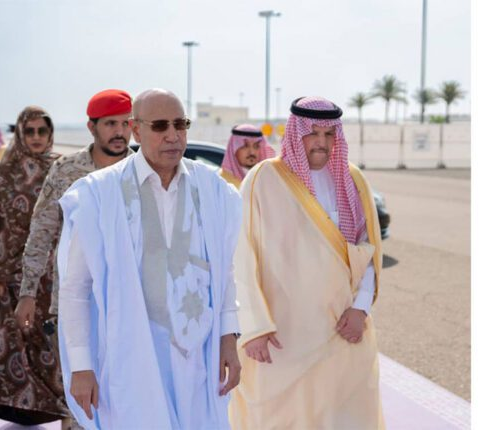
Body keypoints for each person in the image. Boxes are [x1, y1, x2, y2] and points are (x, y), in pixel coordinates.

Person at [56, 89, 242, 429]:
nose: (173, 135)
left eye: (180, 124)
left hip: (198, 360)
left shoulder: (212, 190)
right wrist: (81, 366)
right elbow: (76, 288)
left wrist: (228, 336)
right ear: (136, 130)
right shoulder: (100, 193)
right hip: (131, 359)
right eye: (160, 126)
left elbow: (224, 271)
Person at [228, 97, 384, 429]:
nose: (321, 142)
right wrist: (253, 327)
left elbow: (367, 251)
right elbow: (241, 254)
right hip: (283, 335)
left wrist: (360, 309)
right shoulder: (263, 179)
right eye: (313, 133)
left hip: (343, 329)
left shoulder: (353, 180)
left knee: (344, 417)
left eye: (329, 134)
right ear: (295, 133)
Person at [17, 89, 134, 430]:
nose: (120, 132)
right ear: (91, 127)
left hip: (131, 302)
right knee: (80, 399)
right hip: (75, 301)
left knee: (130, 395)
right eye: (110, 124)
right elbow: (42, 230)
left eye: (126, 123)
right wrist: (28, 292)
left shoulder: (141, 171)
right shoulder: (67, 170)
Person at [0, 106, 70, 426]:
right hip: (11, 278)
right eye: (30, 131)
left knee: (50, 343)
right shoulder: (6, 173)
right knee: (16, 341)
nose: (37, 137)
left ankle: (52, 407)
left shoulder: (62, 169)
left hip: (54, 276)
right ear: (20, 134)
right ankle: (19, 407)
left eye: (43, 131)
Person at [218, 124, 275, 188]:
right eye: (245, 146)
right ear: (234, 149)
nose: (252, 152)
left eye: (256, 146)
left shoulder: (268, 180)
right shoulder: (221, 181)